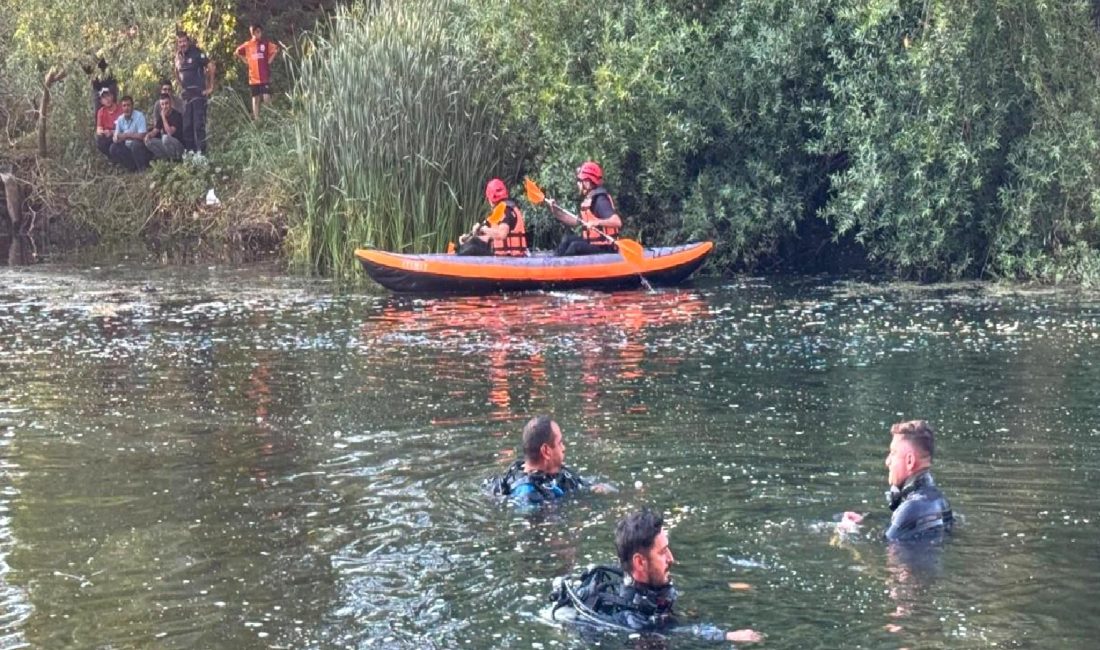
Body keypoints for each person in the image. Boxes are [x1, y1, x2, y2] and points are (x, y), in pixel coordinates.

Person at [550, 508, 763, 644]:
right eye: (662, 553)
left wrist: (724, 586)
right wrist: (725, 636)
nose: (671, 558)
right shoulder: (632, 619)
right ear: (640, 562)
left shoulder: (650, 587)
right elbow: (677, 633)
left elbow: (684, 591)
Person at [840, 419, 954, 542]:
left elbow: (881, 549)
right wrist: (868, 521)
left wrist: (849, 532)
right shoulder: (940, 501)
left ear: (910, 461)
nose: (887, 461)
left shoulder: (912, 507)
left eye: (893, 453)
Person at [485, 416, 604, 504]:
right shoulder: (527, 494)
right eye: (560, 443)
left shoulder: (557, 474)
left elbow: (585, 485)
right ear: (546, 451)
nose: (563, 448)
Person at [550, 161, 623, 257]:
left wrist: (597, 222)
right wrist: (556, 211)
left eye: (580, 180)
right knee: (568, 239)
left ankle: (564, 269)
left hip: (606, 247)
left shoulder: (599, 200)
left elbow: (617, 222)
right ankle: (554, 264)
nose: (578, 184)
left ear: (588, 182)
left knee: (575, 246)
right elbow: (575, 222)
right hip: (593, 244)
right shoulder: (589, 199)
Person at [457, 178, 528, 256]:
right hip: (505, 258)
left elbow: (502, 234)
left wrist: (483, 229)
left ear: (490, 198)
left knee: (472, 247)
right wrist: (467, 239)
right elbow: (487, 236)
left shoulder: (506, 210)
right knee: (473, 243)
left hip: (512, 260)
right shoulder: (500, 211)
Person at [174, 30, 216, 153]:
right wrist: (181, 85)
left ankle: (201, 154)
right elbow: (176, 72)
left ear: (188, 41)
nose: (182, 44)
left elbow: (211, 66)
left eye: (184, 41)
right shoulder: (178, 56)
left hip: (199, 95)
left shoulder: (197, 53)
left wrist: (210, 87)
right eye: (180, 42)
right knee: (187, 126)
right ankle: (191, 155)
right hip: (186, 96)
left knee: (198, 126)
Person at [235, 23, 279, 120]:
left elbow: (275, 49)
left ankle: (270, 117)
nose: (257, 35)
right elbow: (237, 52)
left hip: (264, 76)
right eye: (255, 33)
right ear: (252, 33)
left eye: (259, 32)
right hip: (253, 77)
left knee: (266, 97)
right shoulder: (248, 45)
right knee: (255, 98)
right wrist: (245, 60)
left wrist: (270, 59)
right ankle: (257, 120)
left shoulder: (265, 44)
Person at [109, 96, 152, 171]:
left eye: (128, 105)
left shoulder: (139, 116)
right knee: (113, 147)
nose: (126, 108)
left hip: (140, 147)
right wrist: (116, 138)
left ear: (132, 106)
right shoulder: (120, 119)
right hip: (127, 147)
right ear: (121, 108)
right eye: (124, 105)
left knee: (135, 144)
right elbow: (116, 136)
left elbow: (142, 135)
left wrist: (126, 135)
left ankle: (142, 168)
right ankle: (131, 167)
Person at [144, 94, 185, 161]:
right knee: (148, 141)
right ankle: (165, 160)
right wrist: (148, 135)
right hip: (167, 146)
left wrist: (163, 117)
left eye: (166, 103)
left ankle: (175, 161)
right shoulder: (161, 116)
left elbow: (170, 132)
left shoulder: (177, 115)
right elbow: (155, 131)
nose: (164, 106)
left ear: (170, 103)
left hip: (179, 147)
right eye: (162, 104)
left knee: (165, 138)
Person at [94, 88, 124, 158]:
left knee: (114, 148)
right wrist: (101, 132)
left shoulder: (121, 109)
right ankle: (112, 159)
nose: (107, 99)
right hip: (108, 137)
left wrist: (112, 132)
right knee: (99, 141)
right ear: (101, 101)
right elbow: (99, 129)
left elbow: (126, 129)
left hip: (121, 136)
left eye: (108, 96)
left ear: (112, 96)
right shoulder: (101, 112)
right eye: (104, 98)